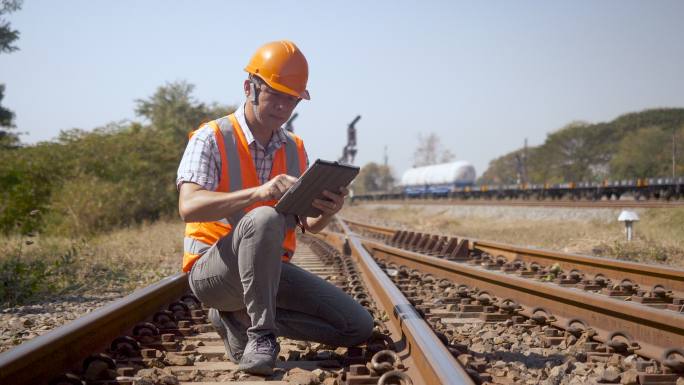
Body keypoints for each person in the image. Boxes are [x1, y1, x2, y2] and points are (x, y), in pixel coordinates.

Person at [175, 40, 374, 375]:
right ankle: (262, 335)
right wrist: (259, 192)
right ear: (249, 88)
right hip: (214, 274)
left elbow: (309, 225)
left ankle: (237, 319)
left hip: (270, 272)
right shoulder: (211, 138)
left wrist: (328, 209)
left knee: (357, 327)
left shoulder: (296, 149)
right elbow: (188, 206)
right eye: (275, 94)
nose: (283, 106)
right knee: (265, 216)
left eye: (292, 99)